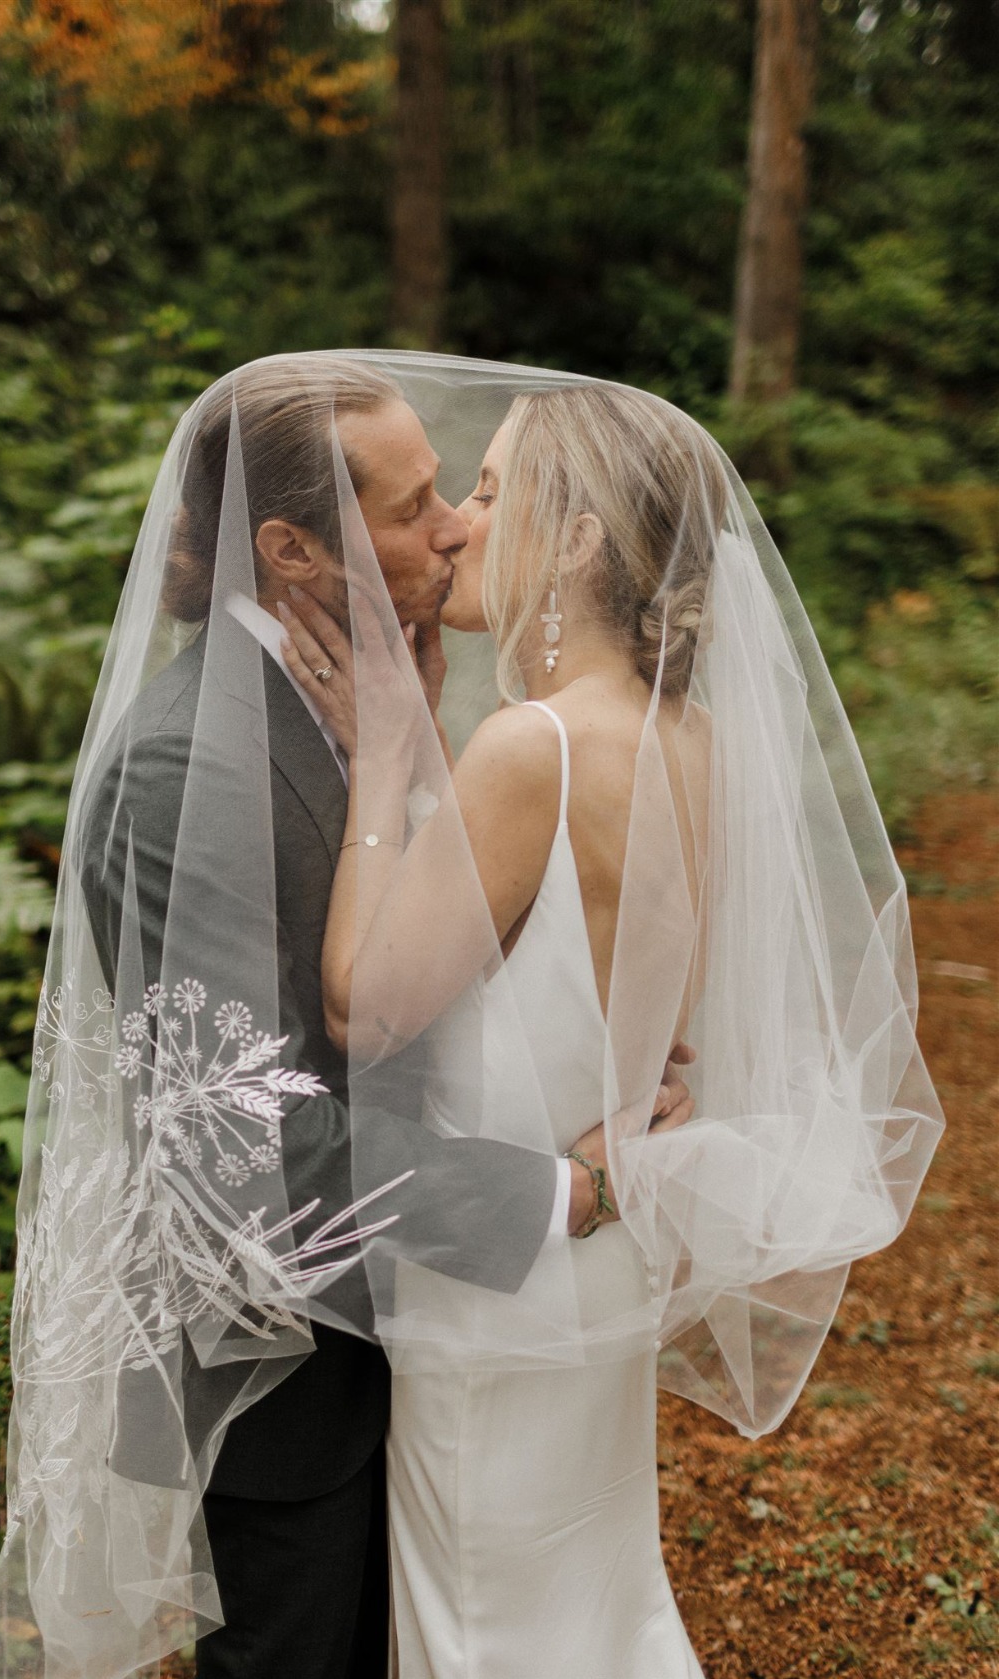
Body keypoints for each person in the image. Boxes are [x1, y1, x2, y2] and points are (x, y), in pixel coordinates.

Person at [0, 356, 697, 1679]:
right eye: (418, 502)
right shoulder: (181, 769)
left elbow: (450, 969)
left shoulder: (385, 699)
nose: (454, 527)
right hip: (288, 1396)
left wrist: (611, 1030)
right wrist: (563, 1194)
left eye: (463, 491)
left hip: (422, 1347)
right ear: (292, 548)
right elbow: (244, 1161)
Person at [282, 377, 943, 1677]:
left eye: (486, 489)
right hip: (597, 1252)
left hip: (500, 1290)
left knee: (489, 1636)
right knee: (590, 1611)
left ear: (578, 540)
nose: (463, 524)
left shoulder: (533, 748)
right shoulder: (687, 736)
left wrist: (377, 767)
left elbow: (362, 1003)